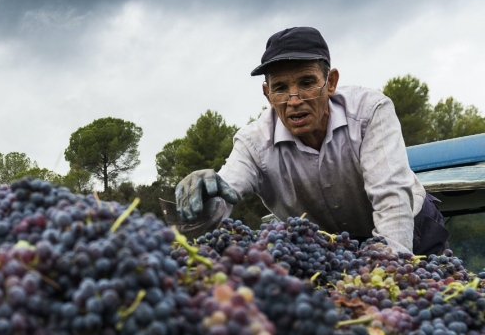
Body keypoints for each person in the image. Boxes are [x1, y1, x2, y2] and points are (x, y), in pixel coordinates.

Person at [175, 26, 449, 255]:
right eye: (281, 88)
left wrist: (391, 271)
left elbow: (391, 199)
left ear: (330, 82)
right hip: (330, 251)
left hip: (411, 230)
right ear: (267, 94)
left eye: (306, 83)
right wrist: (202, 200)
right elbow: (225, 193)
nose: (294, 100)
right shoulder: (254, 144)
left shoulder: (369, 112)